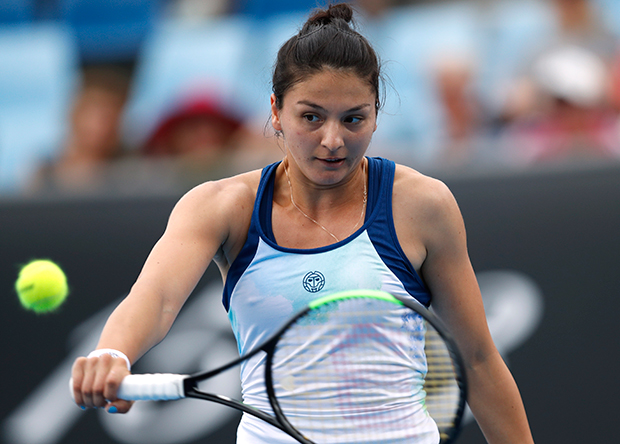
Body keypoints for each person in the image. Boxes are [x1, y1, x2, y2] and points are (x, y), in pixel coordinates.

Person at [71, 4, 535, 443]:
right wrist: (113, 352)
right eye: (310, 117)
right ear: (275, 111)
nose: (332, 140)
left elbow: (477, 359)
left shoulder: (422, 204)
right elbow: (155, 300)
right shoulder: (219, 207)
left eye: (354, 119)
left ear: (376, 115)